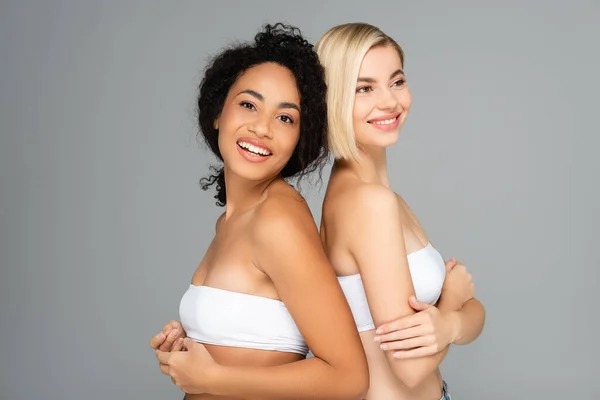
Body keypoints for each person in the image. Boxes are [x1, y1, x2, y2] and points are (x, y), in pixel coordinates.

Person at [149, 23, 369, 400]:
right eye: (249, 104)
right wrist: (190, 348)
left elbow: (349, 377)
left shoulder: (277, 218)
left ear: (300, 138)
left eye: (285, 118)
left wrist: (211, 379)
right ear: (218, 113)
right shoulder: (232, 220)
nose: (262, 128)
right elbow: (252, 347)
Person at [316, 23, 486, 400]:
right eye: (364, 88)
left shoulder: (378, 197)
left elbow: (474, 317)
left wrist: (451, 321)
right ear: (332, 99)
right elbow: (409, 368)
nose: (390, 102)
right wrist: (453, 304)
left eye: (396, 81)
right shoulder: (367, 204)